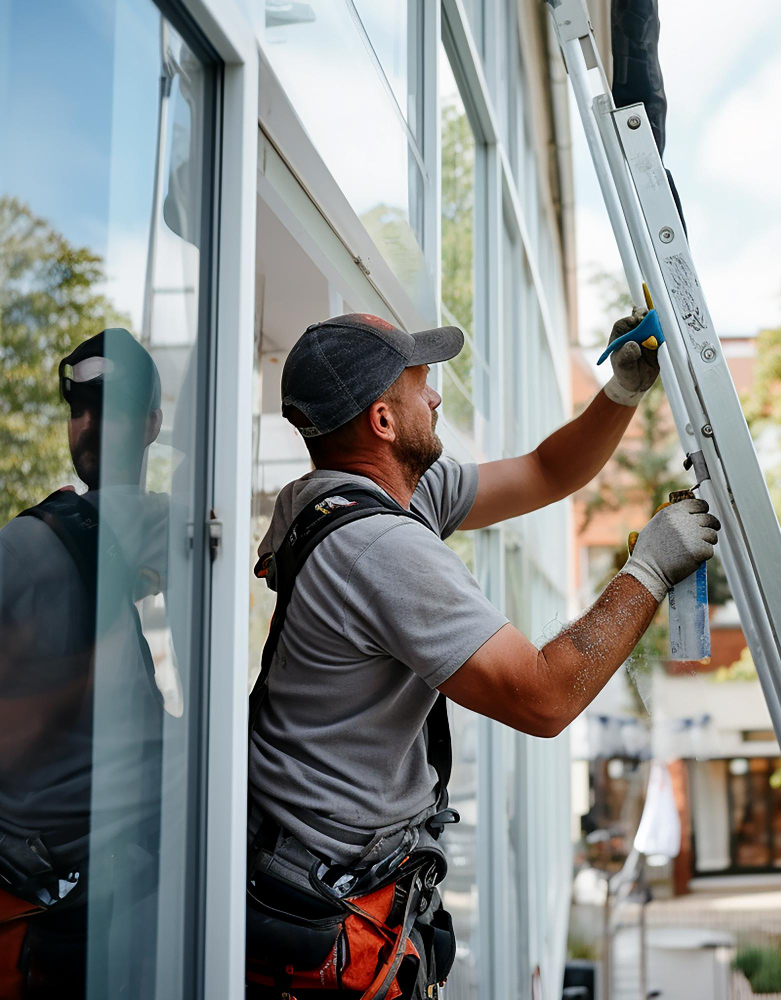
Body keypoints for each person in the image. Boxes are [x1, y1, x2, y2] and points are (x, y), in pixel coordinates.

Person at [246, 312, 720, 998]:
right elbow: (544, 697)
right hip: (325, 894)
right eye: (420, 384)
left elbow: (545, 471)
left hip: (318, 864)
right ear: (383, 421)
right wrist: (647, 571)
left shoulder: (352, 499)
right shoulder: (380, 548)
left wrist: (621, 391)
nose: (436, 395)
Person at [0, 329, 168, 999]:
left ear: (149, 424)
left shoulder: (40, 534)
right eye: (79, 409)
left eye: (111, 409)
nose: (90, 426)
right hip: (83, 904)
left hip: (57, 895)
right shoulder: (126, 524)